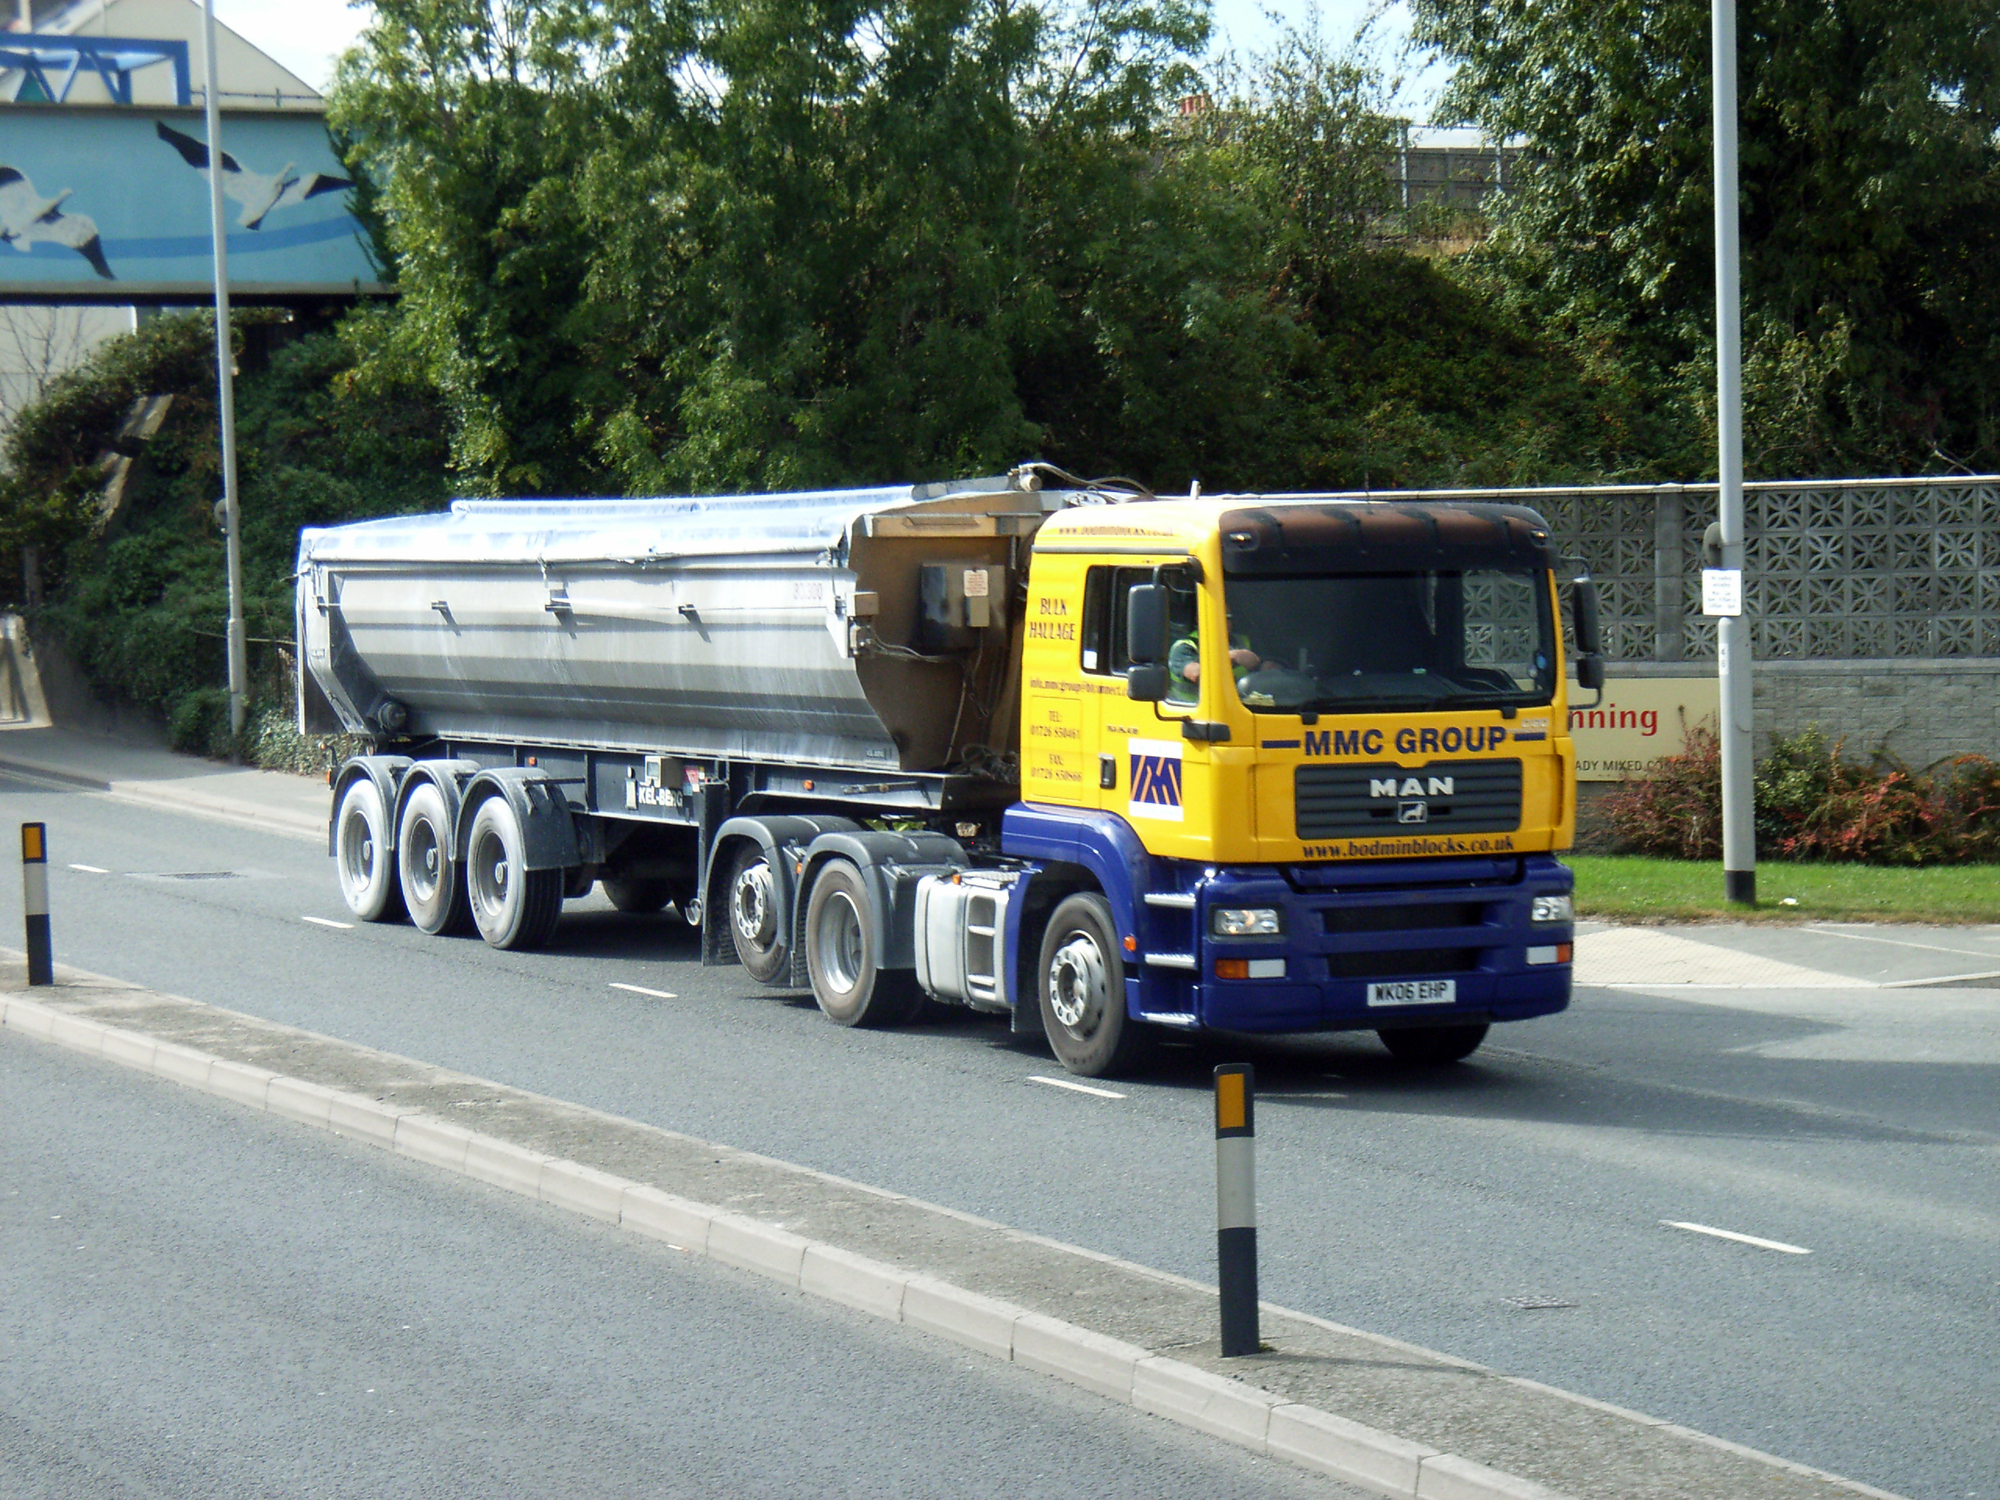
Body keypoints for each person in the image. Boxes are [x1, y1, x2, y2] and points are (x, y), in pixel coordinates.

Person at [1166, 614, 1259, 701]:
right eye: (1217, 616)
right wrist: (1230, 657)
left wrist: (1264, 666)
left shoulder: (1242, 641)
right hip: (1191, 713)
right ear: (1199, 619)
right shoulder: (1185, 646)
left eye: (1228, 617)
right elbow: (1196, 674)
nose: (1224, 621)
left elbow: (1264, 668)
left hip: (1241, 709)